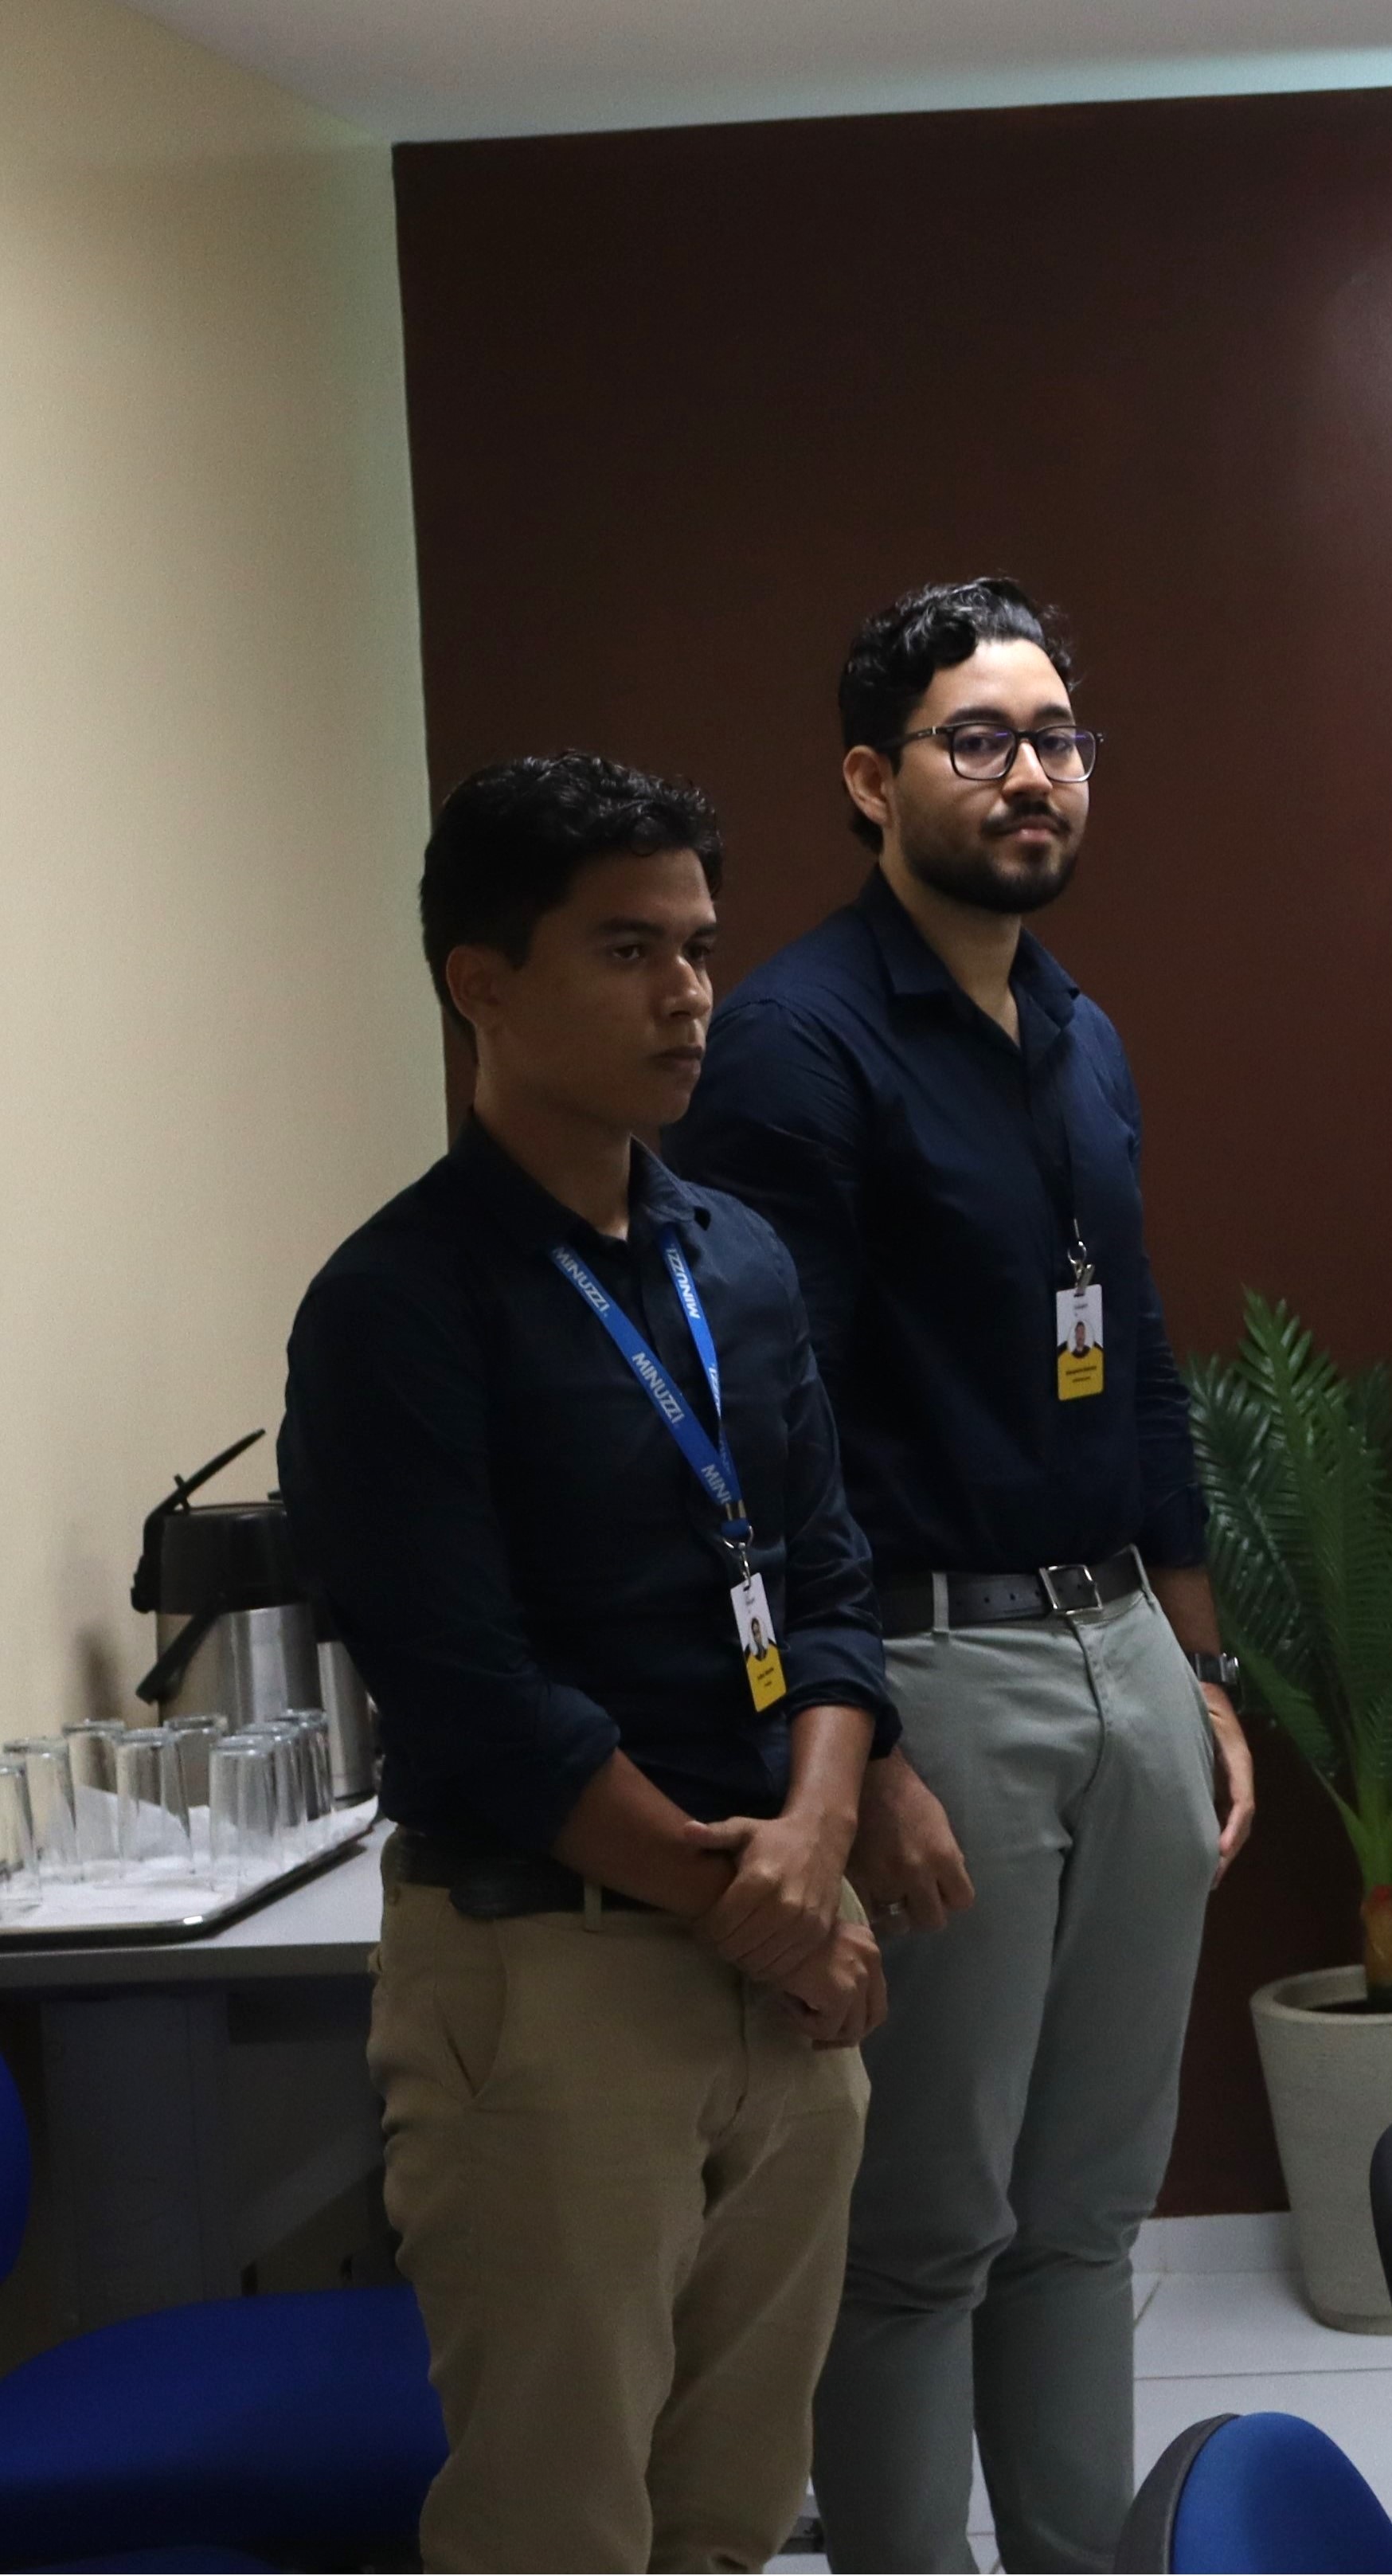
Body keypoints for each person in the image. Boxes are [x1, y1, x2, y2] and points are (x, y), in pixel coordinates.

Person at [667, 577, 1252, 2575]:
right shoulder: (795, 1045)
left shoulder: (1077, 1031)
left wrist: (1200, 1670)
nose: (1032, 775)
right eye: (979, 739)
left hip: (1117, 1650)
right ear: (869, 778)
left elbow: (1138, 1353)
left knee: (1087, 2215)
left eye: (1059, 738)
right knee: (926, 2231)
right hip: (933, 1676)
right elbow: (770, 1437)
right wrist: (869, 1755)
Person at [281, 754, 890, 2572]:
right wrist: (760, 1905)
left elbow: (827, 1580)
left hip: (781, 1942)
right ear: (481, 982)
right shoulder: (396, 1303)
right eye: (629, 950)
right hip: (554, 1968)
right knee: (559, 2526)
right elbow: (477, 1694)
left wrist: (817, 1848)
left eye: (699, 946)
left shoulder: (736, 1259)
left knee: (733, 2513)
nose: (689, 993)